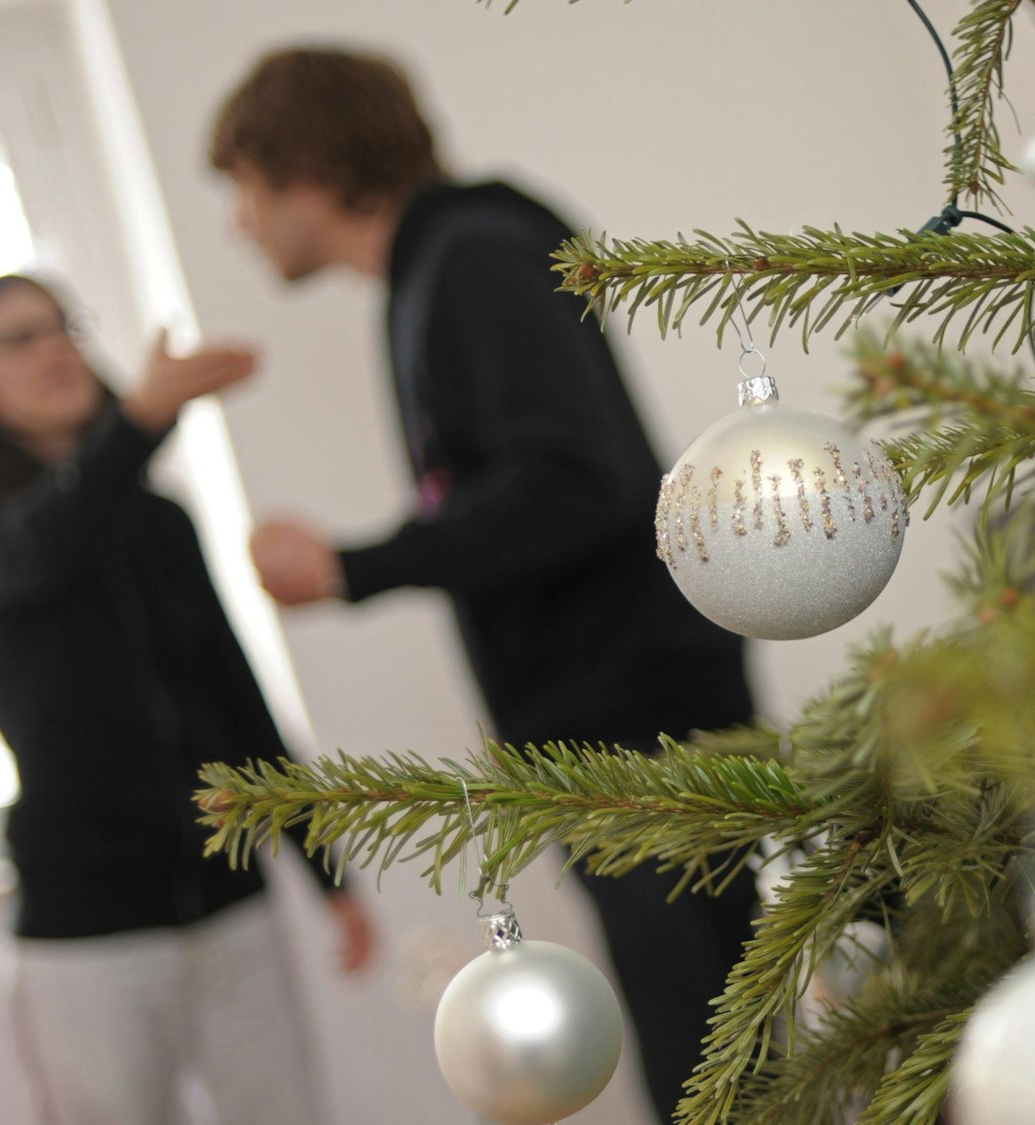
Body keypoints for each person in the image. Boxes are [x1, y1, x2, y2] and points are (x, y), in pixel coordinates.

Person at [209, 47, 760, 1123]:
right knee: (721, 1042)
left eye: (243, 186)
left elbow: (574, 480)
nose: (238, 222)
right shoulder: (447, 261)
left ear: (307, 170)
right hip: (625, 712)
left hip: (631, 724)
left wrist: (350, 565)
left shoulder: (467, 256)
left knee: (708, 1053)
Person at [0, 274, 374, 1125]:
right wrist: (142, 418)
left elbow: (236, 698)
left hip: (230, 902)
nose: (55, 348)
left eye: (65, 326)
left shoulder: (158, 520)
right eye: (20, 338)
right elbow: (52, 540)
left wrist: (327, 871)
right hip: (87, 930)